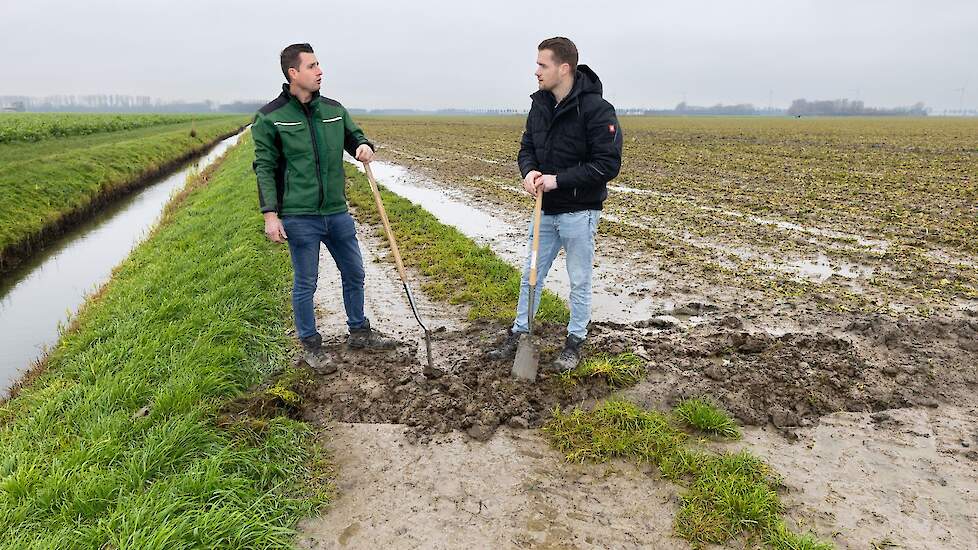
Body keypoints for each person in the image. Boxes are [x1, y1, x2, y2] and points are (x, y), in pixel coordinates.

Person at [253, 43, 395, 367]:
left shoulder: (334, 110)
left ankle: (359, 331)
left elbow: (356, 137)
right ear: (293, 73)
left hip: (337, 211)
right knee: (306, 282)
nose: (320, 71)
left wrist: (362, 147)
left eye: (319, 64)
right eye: (312, 66)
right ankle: (311, 344)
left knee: (355, 271)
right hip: (299, 216)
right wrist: (271, 216)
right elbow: (264, 168)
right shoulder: (270, 118)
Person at [488, 37, 623, 372]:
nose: (536, 72)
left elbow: (607, 164)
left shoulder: (597, 110)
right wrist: (529, 172)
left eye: (542, 65)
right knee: (530, 276)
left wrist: (557, 180)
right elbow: (527, 147)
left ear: (564, 68)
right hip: (544, 212)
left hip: (580, 213)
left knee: (579, 280)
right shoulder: (540, 105)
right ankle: (520, 333)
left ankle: (575, 341)